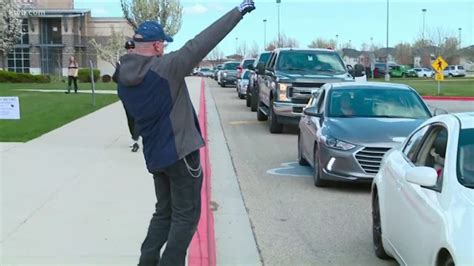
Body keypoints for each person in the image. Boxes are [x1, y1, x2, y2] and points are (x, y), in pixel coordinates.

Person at [116, 1, 255, 265]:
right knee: (186, 215)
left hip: (156, 156)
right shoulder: (165, 68)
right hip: (181, 155)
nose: (165, 49)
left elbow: (132, 120)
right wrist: (238, 11)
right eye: (163, 45)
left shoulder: (121, 77)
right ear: (157, 46)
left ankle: (147, 261)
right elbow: (202, 42)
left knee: (164, 212)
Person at [113, 40, 140, 152]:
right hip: (126, 93)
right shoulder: (121, 61)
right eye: (128, 48)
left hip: (138, 93)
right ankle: (134, 138)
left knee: (138, 116)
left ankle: (136, 139)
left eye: (132, 47)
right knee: (130, 117)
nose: (130, 49)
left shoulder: (140, 60)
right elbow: (115, 77)